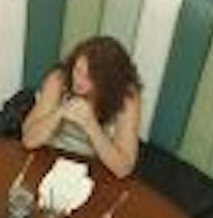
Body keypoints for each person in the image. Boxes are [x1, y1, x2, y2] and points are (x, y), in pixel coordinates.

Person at [21, 35, 142, 178]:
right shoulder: (60, 79)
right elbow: (28, 140)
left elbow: (123, 168)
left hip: (94, 169)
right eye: (77, 70)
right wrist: (60, 112)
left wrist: (90, 124)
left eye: (89, 77)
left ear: (107, 82)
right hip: (51, 157)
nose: (78, 81)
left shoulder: (127, 98)